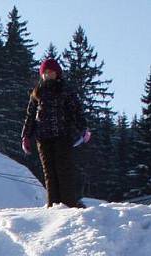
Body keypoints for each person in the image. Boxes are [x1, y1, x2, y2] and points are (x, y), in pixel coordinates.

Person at [21, 58, 91, 209]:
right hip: (43, 138)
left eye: (51, 72)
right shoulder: (37, 93)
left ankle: (69, 203)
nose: (48, 75)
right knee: (49, 172)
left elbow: (76, 111)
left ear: (57, 74)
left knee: (63, 169)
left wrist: (83, 128)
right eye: (45, 73)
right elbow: (30, 116)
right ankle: (53, 204)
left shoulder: (65, 90)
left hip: (62, 136)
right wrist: (26, 136)